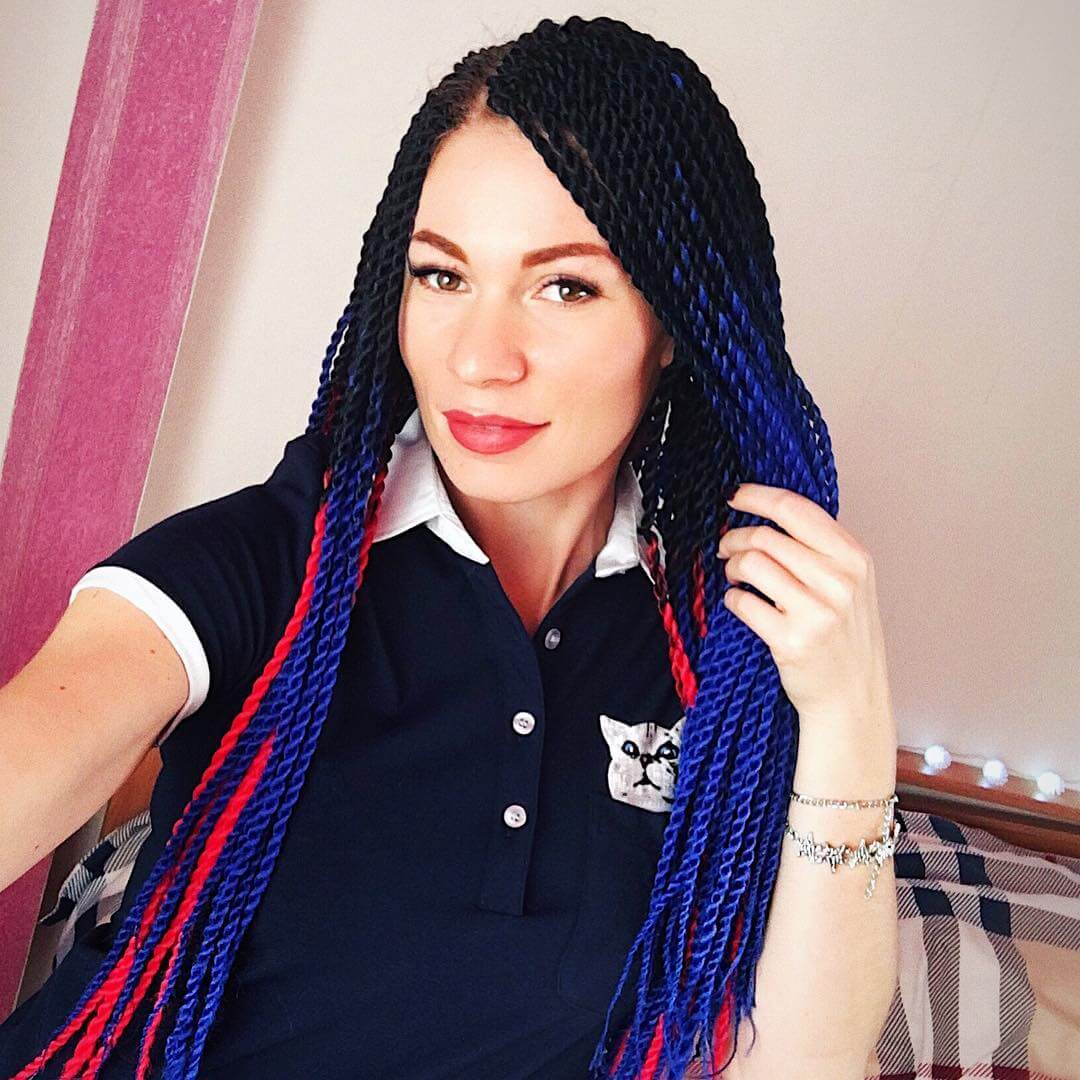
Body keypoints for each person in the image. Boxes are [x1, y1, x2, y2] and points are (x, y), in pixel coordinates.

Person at [0, 14, 900, 1080]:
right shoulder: (271, 563)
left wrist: (851, 716)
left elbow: (798, 1064)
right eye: (441, 275)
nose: (480, 357)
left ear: (672, 323)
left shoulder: (725, 656)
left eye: (565, 286)